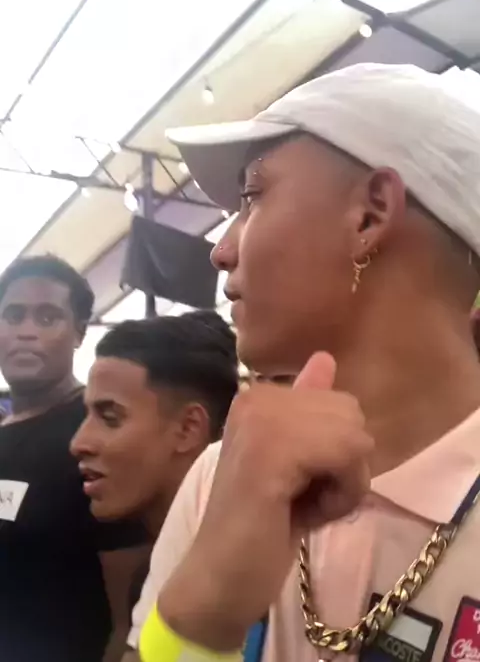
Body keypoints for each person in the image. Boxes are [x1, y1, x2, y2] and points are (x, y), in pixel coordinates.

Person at [127, 64, 480, 662]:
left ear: (369, 215)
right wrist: (198, 618)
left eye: (251, 197)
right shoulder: (223, 475)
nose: (221, 250)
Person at [0, 255, 148, 662]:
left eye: (48, 318)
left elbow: (127, 621)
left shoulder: (97, 433)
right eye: (13, 316)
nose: (26, 332)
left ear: (79, 333)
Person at [71, 310, 239, 609]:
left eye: (110, 417)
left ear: (188, 428)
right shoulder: (151, 577)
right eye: (87, 415)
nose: (78, 443)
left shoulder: (253, 583)